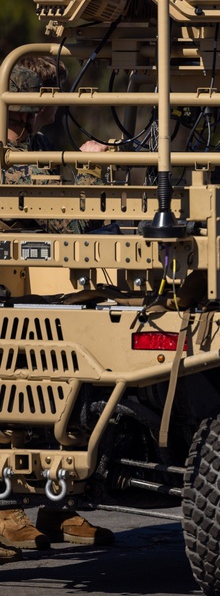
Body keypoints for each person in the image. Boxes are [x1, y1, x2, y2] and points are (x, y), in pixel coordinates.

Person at [0, 65, 115, 561]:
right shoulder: (14, 154)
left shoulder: (32, 142)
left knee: (57, 397)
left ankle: (54, 505)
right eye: (52, 97)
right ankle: (7, 514)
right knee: (15, 403)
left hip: (27, 289)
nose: (57, 106)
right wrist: (93, 167)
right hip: (12, 291)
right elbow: (68, 217)